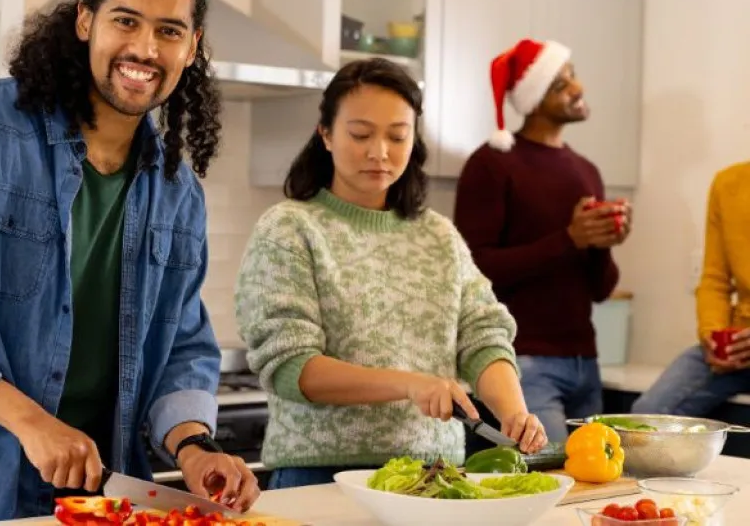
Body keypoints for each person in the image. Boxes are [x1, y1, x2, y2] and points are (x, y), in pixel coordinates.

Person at [0, 0, 260, 524]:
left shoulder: (178, 192)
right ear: (86, 20)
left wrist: (195, 448)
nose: (146, 49)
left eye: (169, 31)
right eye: (126, 21)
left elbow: (181, 342)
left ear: (192, 45)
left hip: (87, 495)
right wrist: (29, 421)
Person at [234, 58, 548, 490]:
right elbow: (291, 366)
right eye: (361, 134)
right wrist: (410, 385)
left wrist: (512, 410)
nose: (379, 151)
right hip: (323, 478)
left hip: (435, 480)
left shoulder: (438, 235)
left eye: (397, 136)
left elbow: (483, 335)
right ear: (324, 134)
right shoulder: (288, 229)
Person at [453, 38, 633, 444]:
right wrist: (569, 239)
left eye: (573, 76)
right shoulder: (492, 164)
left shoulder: (587, 170)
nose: (577, 88)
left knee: (591, 487)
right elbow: (474, 271)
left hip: (585, 362)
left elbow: (602, 289)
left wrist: (603, 239)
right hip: (524, 365)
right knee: (554, 485)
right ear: (533, 100)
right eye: (559, 84)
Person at [632, 162, 750, 416]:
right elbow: (715, 280)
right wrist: (712, 334)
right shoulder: (728, 184)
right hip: (737, 345)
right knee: (648, 415)